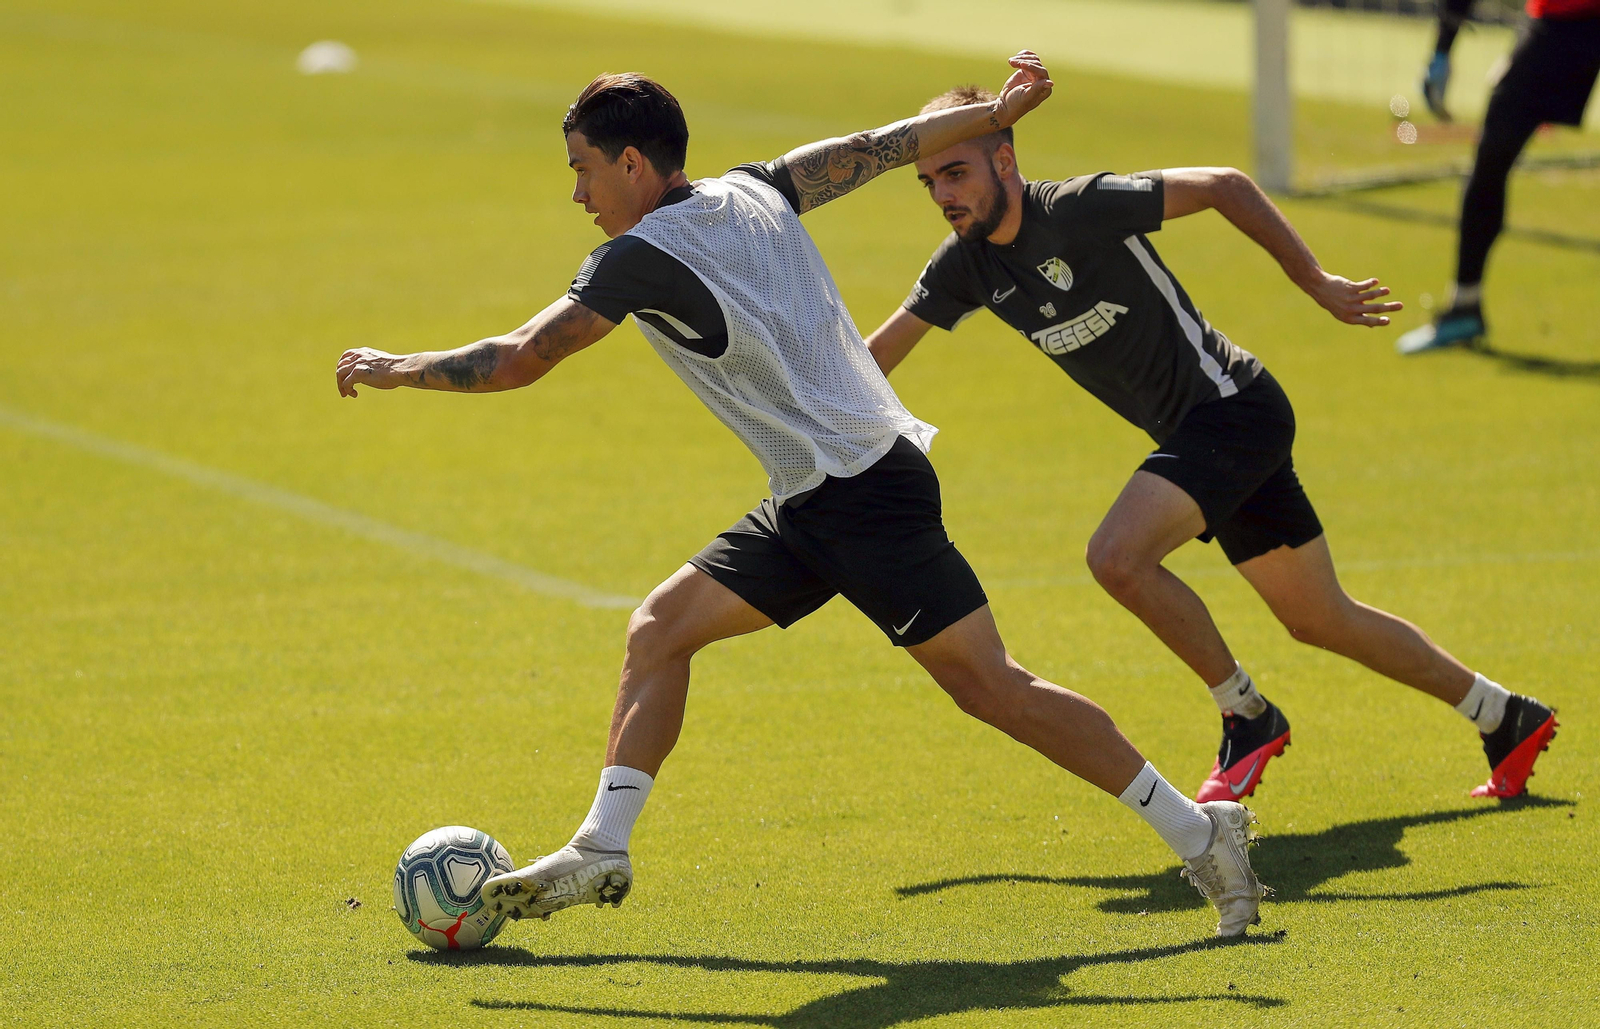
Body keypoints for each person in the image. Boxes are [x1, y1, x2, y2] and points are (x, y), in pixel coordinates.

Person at [335, 57, 1269, 937]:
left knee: (995, 688)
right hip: (818, 490)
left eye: (582, 169)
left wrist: (396, 368)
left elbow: (523, 357)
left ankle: (1201, 835)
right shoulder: (755, 186)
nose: (577, 192)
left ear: (631, 162)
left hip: (862, 493)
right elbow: (881, 145)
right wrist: (991, 115)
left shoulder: (639, 256)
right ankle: (602, 844)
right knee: (660, 628)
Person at [863, 86, 1558, 806]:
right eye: (929, 182)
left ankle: (1246, 713)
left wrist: (1314, 281)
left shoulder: (1077, 207)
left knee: (1117, 557)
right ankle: (1505, 715)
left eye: (955, 173)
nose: (942, 194)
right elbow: (878, 356)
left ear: (1003, 160)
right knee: (1319, 616)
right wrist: (786, 400)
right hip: (1206, 436)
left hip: (1233, 411)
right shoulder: (965, 265)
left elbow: (1226, 187)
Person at [1400, 0, 1600, 353]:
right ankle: (1464, 306)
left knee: (1493, 155)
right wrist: (1443, 50)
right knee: (1493, 153)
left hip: (1568, 22)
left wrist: (1442, 49)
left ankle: (1464, 305)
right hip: (1560, 22)